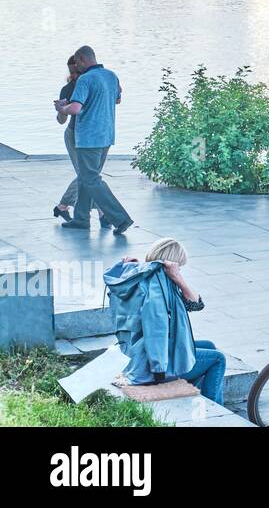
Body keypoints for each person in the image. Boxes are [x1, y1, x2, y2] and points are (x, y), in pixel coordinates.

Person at [104, 238, 227, 404]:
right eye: (179, 266)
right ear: (172, 263)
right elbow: (155, 331)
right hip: (150, 365)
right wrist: (159, 370)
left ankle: (195, 398)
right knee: (218, 359)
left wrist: (174, 277)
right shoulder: (157, 290)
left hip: (137, 352)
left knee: (209, 345)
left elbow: (197, 304)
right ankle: (215, 409)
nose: (180, 270)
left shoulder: (142, 277)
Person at [54, 46, 132, 235]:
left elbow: (75, 109)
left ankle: (121, 219)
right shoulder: (111, 76)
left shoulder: (85, 79)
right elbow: (117, 100)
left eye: (77, 63)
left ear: (81, 60)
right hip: (106, 135)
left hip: (89, 137)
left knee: (91, 179)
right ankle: (81, 219)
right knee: (85, 178)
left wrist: (61, 108)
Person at [52, 54, 98, 224]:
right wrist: (61, 109)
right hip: (73, 135)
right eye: (71, 72)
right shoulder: (67, 89)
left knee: (89, 176)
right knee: (87, 175)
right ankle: (102, 212)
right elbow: (61, 121)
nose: (73, 75)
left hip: (90, 135)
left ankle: (63, 206)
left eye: (76, 71)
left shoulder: (91, 82)